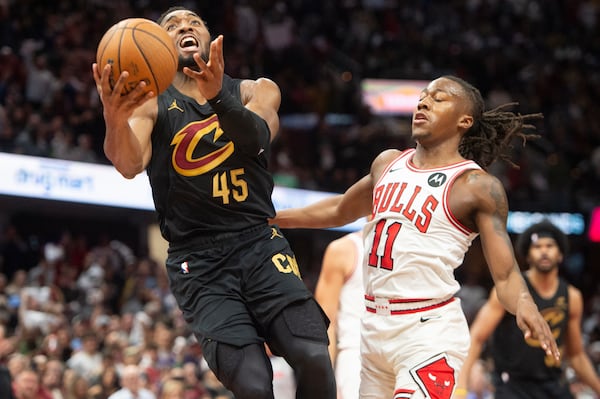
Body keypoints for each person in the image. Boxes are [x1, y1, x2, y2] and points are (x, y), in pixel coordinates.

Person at [92, 6, 336, 399]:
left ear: (210, 40)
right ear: (158, 48)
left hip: (258, 243)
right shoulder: (151, 105)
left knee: (313, 356)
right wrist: (113, 117)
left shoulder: (256, 89)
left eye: (194, 23)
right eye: (171, 25)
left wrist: (218, 96)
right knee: (255, 385)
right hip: (199, 263)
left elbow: (256, 139)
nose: (184, 26)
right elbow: (128, 164)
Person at [272, 75, 561, 399]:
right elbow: (341, 209)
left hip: (428, 332)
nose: (423, 102)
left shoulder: (476, 186)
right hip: (373, 332)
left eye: (439, 98)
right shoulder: (388, 162)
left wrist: (524, 303)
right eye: (423, 96)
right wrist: (272, 217)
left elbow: (506, 274)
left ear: (465, 120)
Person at [454, 220, 600, 398]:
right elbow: (476, 338)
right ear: (528, 255)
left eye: (549, 246)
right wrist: (461, 386)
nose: (544, 251)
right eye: (537, 247)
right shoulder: (510, 289)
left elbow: (576, 355)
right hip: (512, 384)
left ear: (560, 254)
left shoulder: (572, 296)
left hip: (551, 384)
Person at [314, 230, 364, 399]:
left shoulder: (421, 244)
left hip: (408, 352)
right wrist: (325, 384)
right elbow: (325, 325)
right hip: (356, 357)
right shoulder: (344, 249)